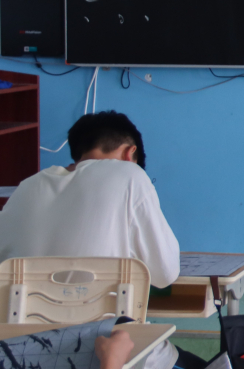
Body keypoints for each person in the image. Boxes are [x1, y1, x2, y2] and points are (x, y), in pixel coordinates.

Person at [0, 111, 202, 369]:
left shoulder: (26, 187)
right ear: (130, 154)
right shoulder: (130, 176)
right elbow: (165, 274)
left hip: (25, 354)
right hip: (111, 351)